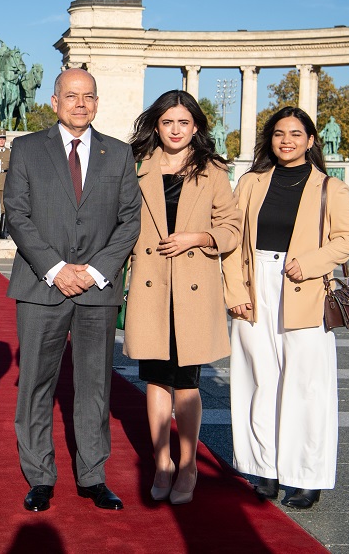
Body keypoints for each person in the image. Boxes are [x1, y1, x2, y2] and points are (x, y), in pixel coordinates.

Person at [4, 68, 141, 512]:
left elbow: (129, 221)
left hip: (97, 291)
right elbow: (17, 215)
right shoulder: (26, 149)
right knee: (36, 386)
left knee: (95, 385)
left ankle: (92, 476)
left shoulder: (118, 154)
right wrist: (57, 268)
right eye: (71, 96)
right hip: (42, 285)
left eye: (88, 97)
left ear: (97, 103)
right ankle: (40, 476)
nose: (80, 104)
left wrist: (96, 270)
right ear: (55, 100)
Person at [222, 106, 349, 509]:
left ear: (311, 140)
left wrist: (312, 262)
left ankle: (306, 475)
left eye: (296, 134)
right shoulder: (250, 183)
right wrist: (235, 292)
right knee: (257, 379)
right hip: (255, 284)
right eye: (280, 134)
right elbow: (232, 241)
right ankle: (263, 468)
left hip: (305, 287)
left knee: (305, 385)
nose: (287, 141)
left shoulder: (329, 187)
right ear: (270, 139)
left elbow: (348, 238)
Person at [123, 90, 242, 505]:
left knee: (187, 383)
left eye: (184, 123)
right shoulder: (136, 166)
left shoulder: (213, 172)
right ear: (156, 125)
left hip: (193, 287)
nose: (175, 130)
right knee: (155, 378)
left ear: (196, 127)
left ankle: (188, 462)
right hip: (151, 286)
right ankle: (162, 462)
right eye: (168, 122)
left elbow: (232, 227)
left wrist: (201, 237)